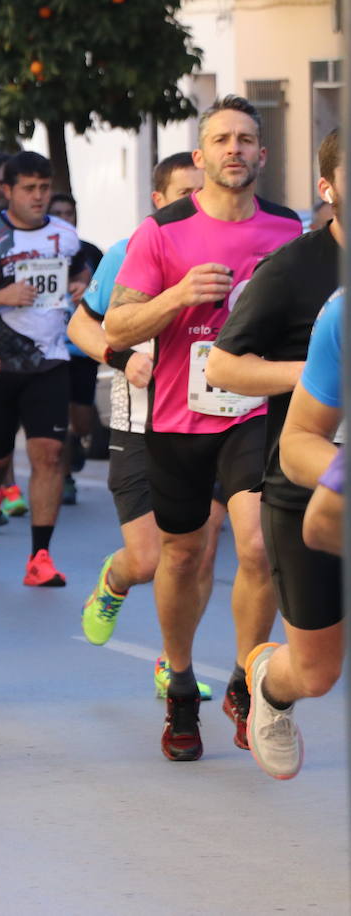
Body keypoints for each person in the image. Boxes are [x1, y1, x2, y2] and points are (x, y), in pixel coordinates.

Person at [104, 95, 302, 761]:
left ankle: (248, 682)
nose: (235, 150)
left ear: (262, 155)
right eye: (222, 139)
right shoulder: (161, 232)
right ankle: (181, 682)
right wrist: (178, 296)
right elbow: (118, 328)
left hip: (255, 412)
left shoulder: (286, 229)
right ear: (201, 155)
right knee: (184, 555)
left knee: (256, 545)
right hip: (180, 416)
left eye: (247, 139)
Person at [205, 131, 343, 780]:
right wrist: (319, 376)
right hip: (304, 480)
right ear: (328, 189)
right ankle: (271, 681)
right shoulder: (294, 271)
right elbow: (225, 366)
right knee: (317, 671)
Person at [68, 152, 221, 701]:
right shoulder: (129, 252)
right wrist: (119, 357)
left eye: (202, 192)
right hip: (141, 426)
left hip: (212, 422)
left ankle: (172, 660)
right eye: (184, 194)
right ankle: (114, 579)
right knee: (150, 559)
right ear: (157, 201)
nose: (195, 204)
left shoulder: (230, 247)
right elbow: (80, 325)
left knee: (200, 550)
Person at [0, 152, 90, 585]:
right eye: (30, 189)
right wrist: (1, 297)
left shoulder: (65, 234)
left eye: (45, 188)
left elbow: (83, 270)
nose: (39, 197)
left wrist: (82, 285)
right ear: (8, 190)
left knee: (49, 455)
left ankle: (40, 555)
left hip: (50, 359)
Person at [243, 293, 344, 778]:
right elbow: (299, 441)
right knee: (316, 673)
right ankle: (272, 686)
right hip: (316, 498)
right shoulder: (341, 309)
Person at [47, 191, 105, 505]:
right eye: (57, 213)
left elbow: (110, 299)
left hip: (82, 347)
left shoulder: (91, 253)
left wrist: (89, 297)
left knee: (80, 421)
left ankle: (74, 443)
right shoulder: (38, 251)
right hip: (49, 348)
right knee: (57, 415)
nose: (64, 218)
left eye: (69, 213)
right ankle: (65, 474)